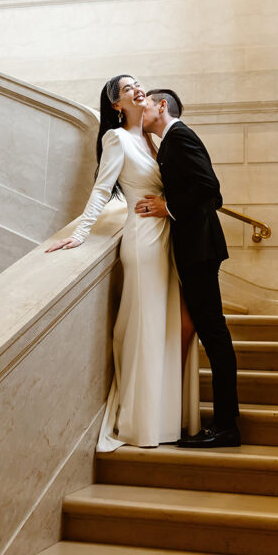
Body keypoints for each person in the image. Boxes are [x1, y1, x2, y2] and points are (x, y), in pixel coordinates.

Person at [45, 74, 199, 452]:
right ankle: (141, 424)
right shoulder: (117, 138)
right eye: (128, 88)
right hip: (143, 240)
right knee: (146, 326)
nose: (137, 89)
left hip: (168, 240)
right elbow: (102, 187)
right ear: (116, 104)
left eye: (138, 84)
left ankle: (168, 420)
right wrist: (80, 234)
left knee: (167, 326)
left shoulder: (153, 139)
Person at [136, 89, 240, 448]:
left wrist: (168, 206)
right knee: (211, 331)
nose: (140, 109)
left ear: (162, 106)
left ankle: (227, 427)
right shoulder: (170, 142)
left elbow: (210, 186)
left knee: (214, 333)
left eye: (145, 103)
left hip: (199, 250)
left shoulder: (180, 136)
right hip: (196, 248)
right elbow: (213, 194)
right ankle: (224, 423)